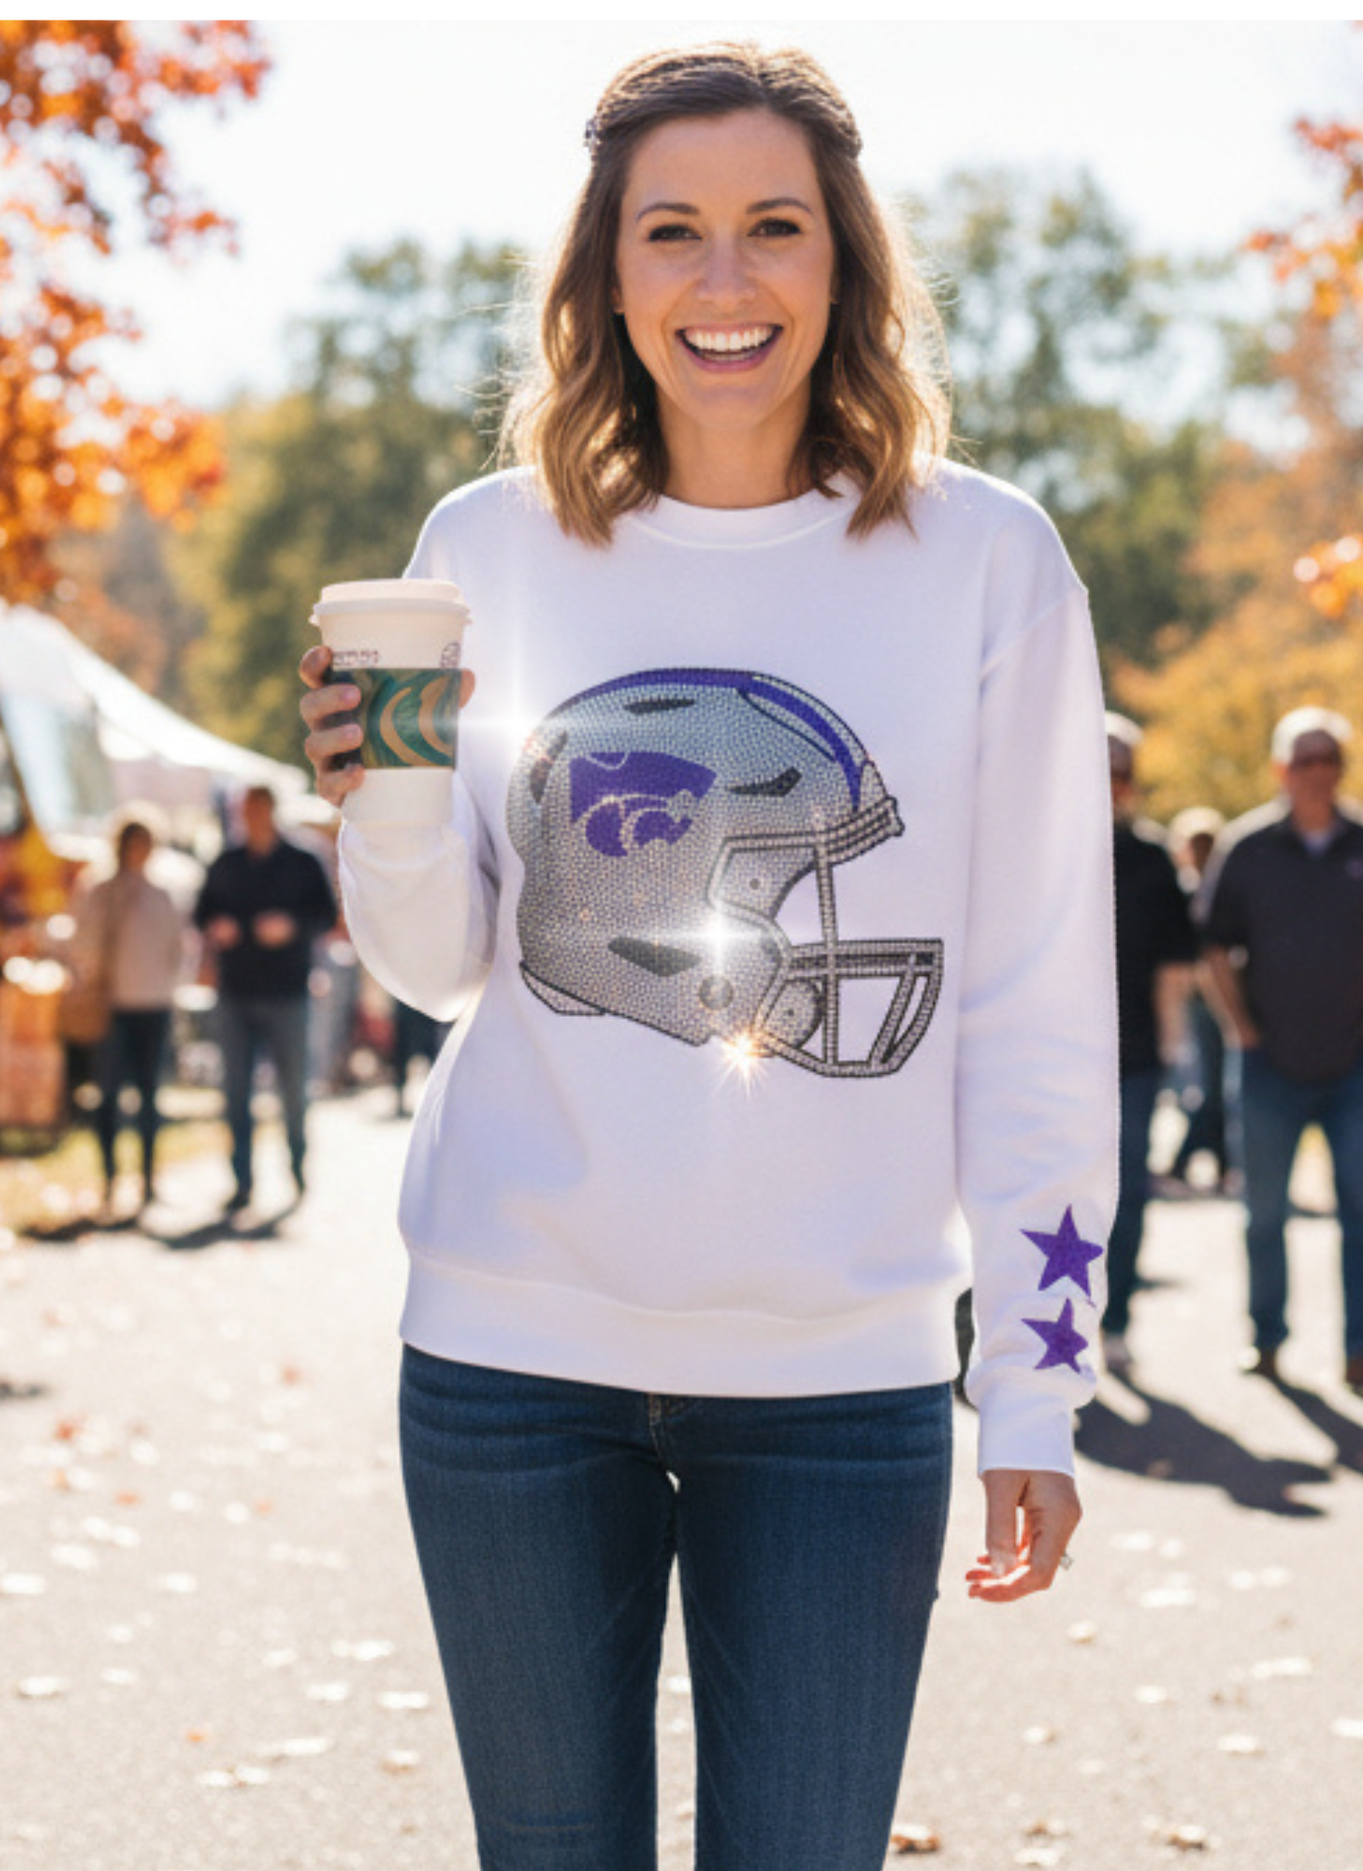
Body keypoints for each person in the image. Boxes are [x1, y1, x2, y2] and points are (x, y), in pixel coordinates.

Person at [301, 43, 1117, 1870]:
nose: (726, 281)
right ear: (606, 273)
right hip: (512, 1362)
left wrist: (1037, 1381)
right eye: (672, 231)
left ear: (849, 263)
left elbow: (1036, 999)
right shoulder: (482, 546)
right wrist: (388, 804)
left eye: (776, 227)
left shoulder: (989, 560)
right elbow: (446, 969)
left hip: (845, 1388)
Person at [1198, 706, 1363, 1389]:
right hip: (1267, 1064)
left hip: (1354, 1065)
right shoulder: (1247, 847)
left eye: (1329, 758)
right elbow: (1211, 947)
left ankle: (1357, 1350)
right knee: (1264, 1213)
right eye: (1304, 758)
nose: (1316, 770)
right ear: (1280, 769)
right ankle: (1265, 1338)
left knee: (1359, 1213)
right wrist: (1242, 1029)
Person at [1100, 717, 1197, 1374]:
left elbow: (1173, 961)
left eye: (1120, 773)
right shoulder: (1029, 846)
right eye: (1098, 770)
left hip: (1131, 1058)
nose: (1110, 786)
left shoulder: (1151, 857)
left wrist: (1172, 1047)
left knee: (1127, 1193)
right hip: (1041, 1060)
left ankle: (1112, 1323)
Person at [194, 784, 337, 1210]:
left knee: (293, 1090)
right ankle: (242, 1181)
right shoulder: (226, 862)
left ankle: (297, 1169)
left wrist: (291, 927)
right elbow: (202, 911)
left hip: (288, 992)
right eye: (246, 811)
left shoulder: (302, 860)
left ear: (272, 812)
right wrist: (217, 927)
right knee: (236, 1093)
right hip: (235, 993)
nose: (252, 818)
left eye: (259, 810)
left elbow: (325, 913)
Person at [72, 813, 185, 1212]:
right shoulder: (101, 891)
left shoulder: (162, 895)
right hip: (113, 1006)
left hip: (153, 1006)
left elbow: (177, 949)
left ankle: (148, 1181)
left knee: (150, 1098)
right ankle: (110, 1178)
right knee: (107, 1098)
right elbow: (83, 943)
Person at [1162, 806, 1229, 1192]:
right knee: (1202, 1087)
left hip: (1226, 1001)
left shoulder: (1226, 888)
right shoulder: (1181, 890)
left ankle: (1220, 1164)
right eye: (1196, 844)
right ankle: (1183, 1163)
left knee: (1219, 1087)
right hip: (1195, 1002)